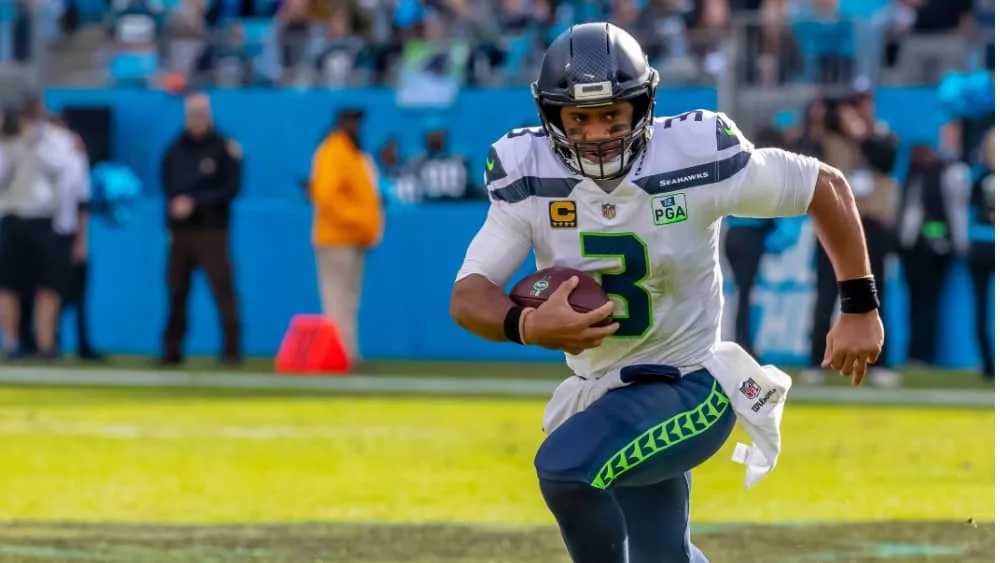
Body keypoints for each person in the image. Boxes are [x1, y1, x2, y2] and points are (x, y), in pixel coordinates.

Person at [449, 23, 884, 563]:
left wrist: (860, 305)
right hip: (607, 393)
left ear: (642, 107)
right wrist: (526, 326)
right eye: (579, 118)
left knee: (566, 470)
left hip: (691, 384)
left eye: (612, 114)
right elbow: (469, 294)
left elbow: (825, 186)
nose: (597, 133)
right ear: (552, 116)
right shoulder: (528, 173)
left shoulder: (692, 154)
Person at [158, 93, 243, 366]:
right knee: (176, 291)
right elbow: (167, 184)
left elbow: (231, 188)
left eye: (200, 114)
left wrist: (196, 203)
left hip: (212, 230)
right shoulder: (175, 148)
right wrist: (174, 211)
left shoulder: (223, 147)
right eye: (191, 114)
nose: (195, 120)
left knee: (223, 290)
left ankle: (232, 350)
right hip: (181, 233)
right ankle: (172, 350)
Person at [308, 108, 382, 366]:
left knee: (347, 301)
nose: (356, 126)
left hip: (352, 238)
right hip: (336, 238)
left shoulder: (352, 152)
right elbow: (326, 196)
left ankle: (348, 353)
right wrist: (359, 221)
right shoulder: (333, 151)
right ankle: (340, 354)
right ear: (341, 122)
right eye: (351, 121)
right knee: (337, 299)